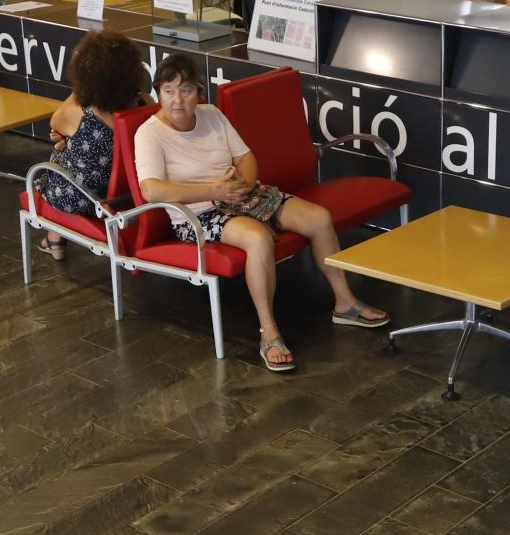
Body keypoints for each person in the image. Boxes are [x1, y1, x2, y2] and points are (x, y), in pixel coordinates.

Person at [133, 54, 387, 372]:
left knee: (319, 218)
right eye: (168, 91)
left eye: (185, 90)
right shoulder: (149, 133)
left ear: (198, 92)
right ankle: (269, 331)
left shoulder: (211, 114)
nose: (177, 100)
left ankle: (345, 302)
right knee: (258, 239)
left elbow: (245, 157)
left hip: (241, 195)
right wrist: (214, 191)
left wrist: (245, 183)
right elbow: (151, 190)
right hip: (198, 213)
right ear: (158, 92)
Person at [32, 31, 149, 259]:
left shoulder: (80, 116)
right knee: (67, 147)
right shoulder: (146, 103)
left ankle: (54, 236)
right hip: (128, 194)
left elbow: (56, 120)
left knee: (58, 157)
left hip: (86, 199)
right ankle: (54, 237)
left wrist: (84, 84)